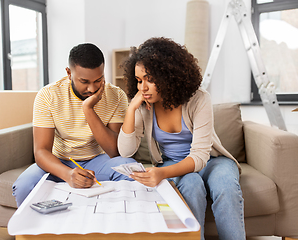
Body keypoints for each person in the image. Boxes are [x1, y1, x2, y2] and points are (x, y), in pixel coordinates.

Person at [117, 37, 246, 240]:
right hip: (174, 162)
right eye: (139, 80)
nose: (143, 88)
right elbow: (125, 151)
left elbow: (200, 157)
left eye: (149, 79)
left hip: (212, 161)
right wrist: (132, 108)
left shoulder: (199, 99)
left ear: (168, 75)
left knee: (226, 186)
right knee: (192, 186)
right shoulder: (144, 105)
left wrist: (161, 173)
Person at [13, 43, 136, 207]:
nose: (92, 89)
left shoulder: (116, 95)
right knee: (24, 186)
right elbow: (41, 151)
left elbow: (115, 151)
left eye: (98, 80)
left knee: (131, 170)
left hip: (99, 161)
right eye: (84, 81)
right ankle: (37, 232)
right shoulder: (48, 95)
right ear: (69, 73)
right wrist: (68, 174)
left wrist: (88, 109)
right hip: (59, 161)